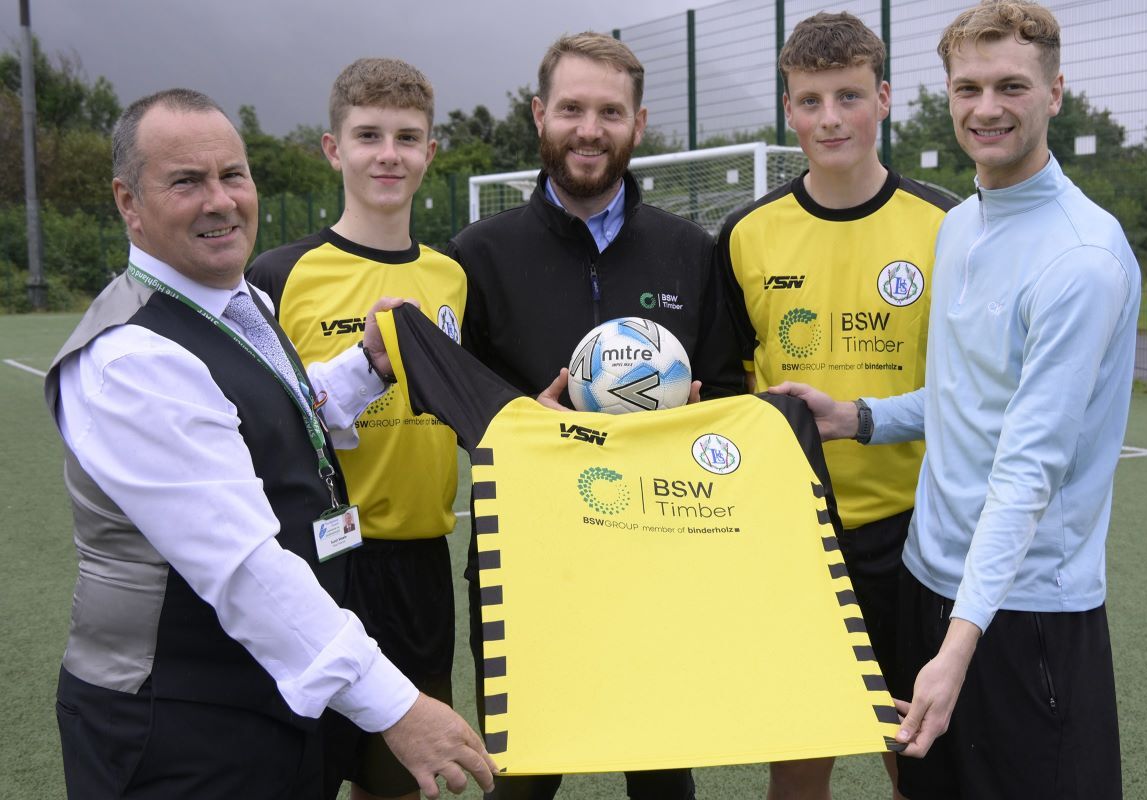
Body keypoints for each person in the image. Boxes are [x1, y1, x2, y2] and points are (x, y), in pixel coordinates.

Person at [44, 88, 495, 800]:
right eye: (186, 182)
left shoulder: (233, 301)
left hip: (267, 694)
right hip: (176, 721)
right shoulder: (133, 357)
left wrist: (367, 367)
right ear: (129, 201)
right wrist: (396, 705)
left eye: (233, 175)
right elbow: (243, 565)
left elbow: (272, 421)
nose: (220, 201)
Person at [772, 3, 1139, 798]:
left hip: (1025, 611)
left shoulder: (1080, 259)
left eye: (1011, 85)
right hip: (928, 580)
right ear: (945, 95)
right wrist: (858, 419)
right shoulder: (963, 224)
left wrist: (960, 645)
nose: (987, 108)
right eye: (967, 87)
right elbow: (967, 398)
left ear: (1055, 92)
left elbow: (1028, 467)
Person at [445, 31, 742, 800]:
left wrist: (696, 419)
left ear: (638, 125)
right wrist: (521, 420)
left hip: (657, 550)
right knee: (523, 778)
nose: (589, 129)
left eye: (610, 111)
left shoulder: (690, 251)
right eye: (572, 108)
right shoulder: (476, 255)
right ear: (540, 116)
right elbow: (451, 402)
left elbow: (731, 392)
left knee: (663, 774)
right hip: (527, 555)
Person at [714, 12, 955, 799]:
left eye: (848, 96)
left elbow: (970, 390)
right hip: (795, 535)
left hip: (913, 534)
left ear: (883, 98)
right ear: (789, 110)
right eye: (810, 100)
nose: (829, 119)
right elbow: (725, 388)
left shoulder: (949, 226)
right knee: (799, 754)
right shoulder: (747, 233)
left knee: (912, 749)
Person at [247, 58, 466, 800]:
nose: (389, 154)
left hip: (419, 565)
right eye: (368, 135)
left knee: (401, 779)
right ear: (333, 149)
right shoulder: (281, 273)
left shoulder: (451, 276)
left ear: (430, 153)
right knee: (297, 771)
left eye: (408, 137)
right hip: (318, 563)